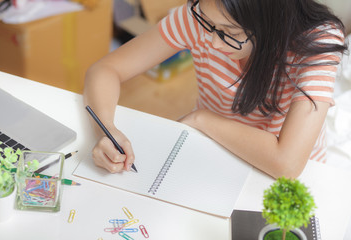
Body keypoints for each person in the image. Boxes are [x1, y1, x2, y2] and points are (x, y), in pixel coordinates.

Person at [83, 0, 347, 179]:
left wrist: (203, 119)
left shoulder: (319, 41)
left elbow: (287, 163)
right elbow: (105, 70)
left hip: (289, 176)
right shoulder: (202, 16)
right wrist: (106, 130)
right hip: (213, 152)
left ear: (271, 22)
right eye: (208, 25)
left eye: (228, 31)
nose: (212, 41)